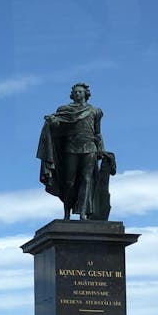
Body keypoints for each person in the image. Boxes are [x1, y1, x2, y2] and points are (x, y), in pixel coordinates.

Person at [37, 82, 106, 221]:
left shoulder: (96, 111)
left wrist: (101, 149)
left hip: (89, 147)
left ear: (86, 94)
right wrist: (52, 121)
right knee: (69, 182)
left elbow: (98, 133)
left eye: (80, 92)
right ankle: (67, 212)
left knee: (86, 180)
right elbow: (57, 126)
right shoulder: (65, 109)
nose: (77, 94)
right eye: (75, 92)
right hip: (71, 148)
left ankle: (83, 213)